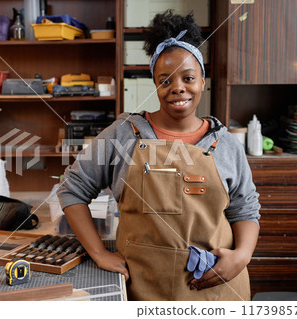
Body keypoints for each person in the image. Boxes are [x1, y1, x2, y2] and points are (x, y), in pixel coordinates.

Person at [57, 10, 260, 301]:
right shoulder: (125, 133)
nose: (177, 87)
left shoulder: (225, 143)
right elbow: (72, 190)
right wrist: (99, 253)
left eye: (188, 77)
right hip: (143, 289)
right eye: (165, 80)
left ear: (202, 81)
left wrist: (241, 256)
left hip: (218, 290)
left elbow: (246, 209)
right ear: (155, 84)